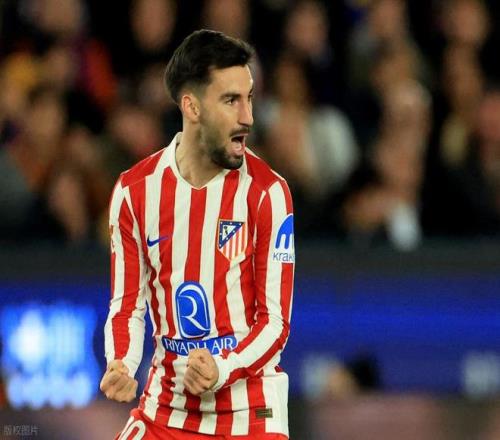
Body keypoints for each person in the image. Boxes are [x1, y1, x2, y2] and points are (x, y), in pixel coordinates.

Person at [99, 29, 294, 440]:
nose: (248, 117)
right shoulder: (135, 191)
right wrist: (121, 363)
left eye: (250, 98)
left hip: (249, 413)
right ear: (191, 106)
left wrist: (222, 367)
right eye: (231, 100)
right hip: (166, 411)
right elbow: (127, 304)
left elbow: (275, 323)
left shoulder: (267, 193)